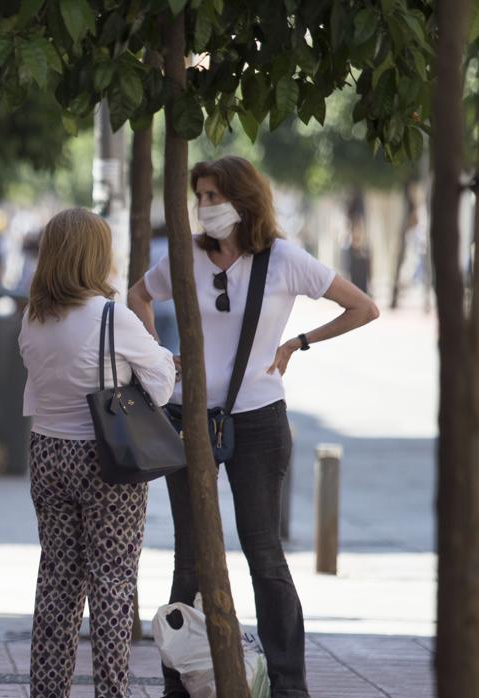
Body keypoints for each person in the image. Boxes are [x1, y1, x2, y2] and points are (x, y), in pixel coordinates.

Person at [128, 156, 379, 698]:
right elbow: (138, 296)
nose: (205, 208)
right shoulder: (184, 256)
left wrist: (298, 343)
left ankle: (289, 685)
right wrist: (157, 355)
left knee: (263, 552)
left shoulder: (284, 259)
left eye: (215, 196)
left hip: (259, 419)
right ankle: (181, 681)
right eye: (199, 197)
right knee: (190, 557)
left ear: (243, 199)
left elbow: (363, 307)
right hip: (187, 417)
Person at [18, 208, 176, 698]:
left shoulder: (35, 316)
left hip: (47, 452)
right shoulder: (112, 315)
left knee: (58, 580)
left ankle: (48, 691)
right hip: (106, 459)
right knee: (112, 582)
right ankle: (111, 691)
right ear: (95, 255)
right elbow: (164, 386)